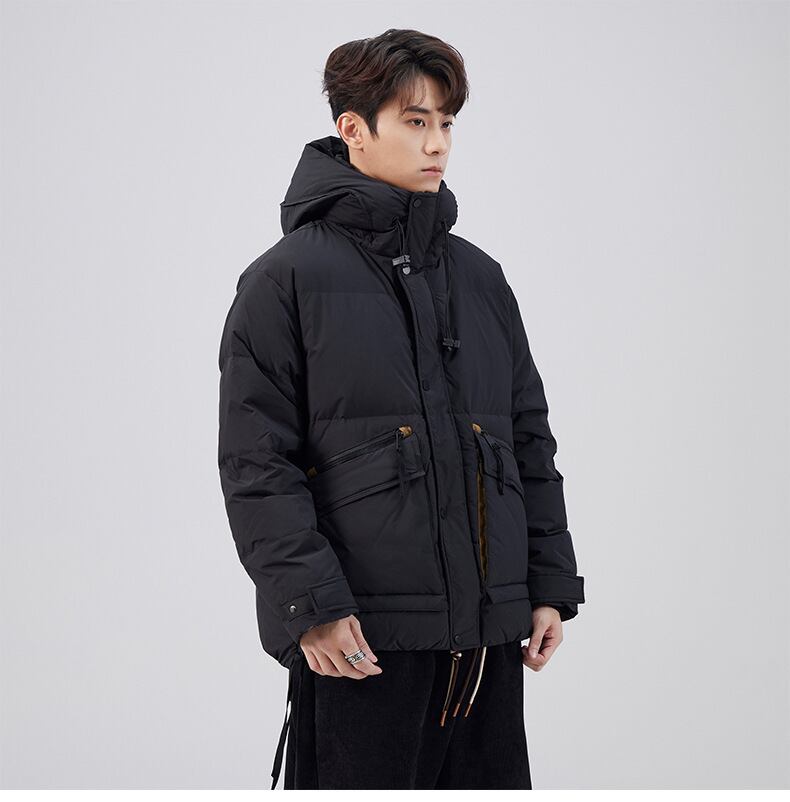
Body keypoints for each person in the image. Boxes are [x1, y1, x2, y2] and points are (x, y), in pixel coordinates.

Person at [217, 28, 585, 790]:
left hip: (486, 642)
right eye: (415, 121)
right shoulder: (284, 281)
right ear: (353, 128)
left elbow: (528, 440)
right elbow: (257, 463)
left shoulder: (481, 279)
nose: (438, 142)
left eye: (446, 122)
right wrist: (311, 607)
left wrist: (547, 583)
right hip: (362, 645)